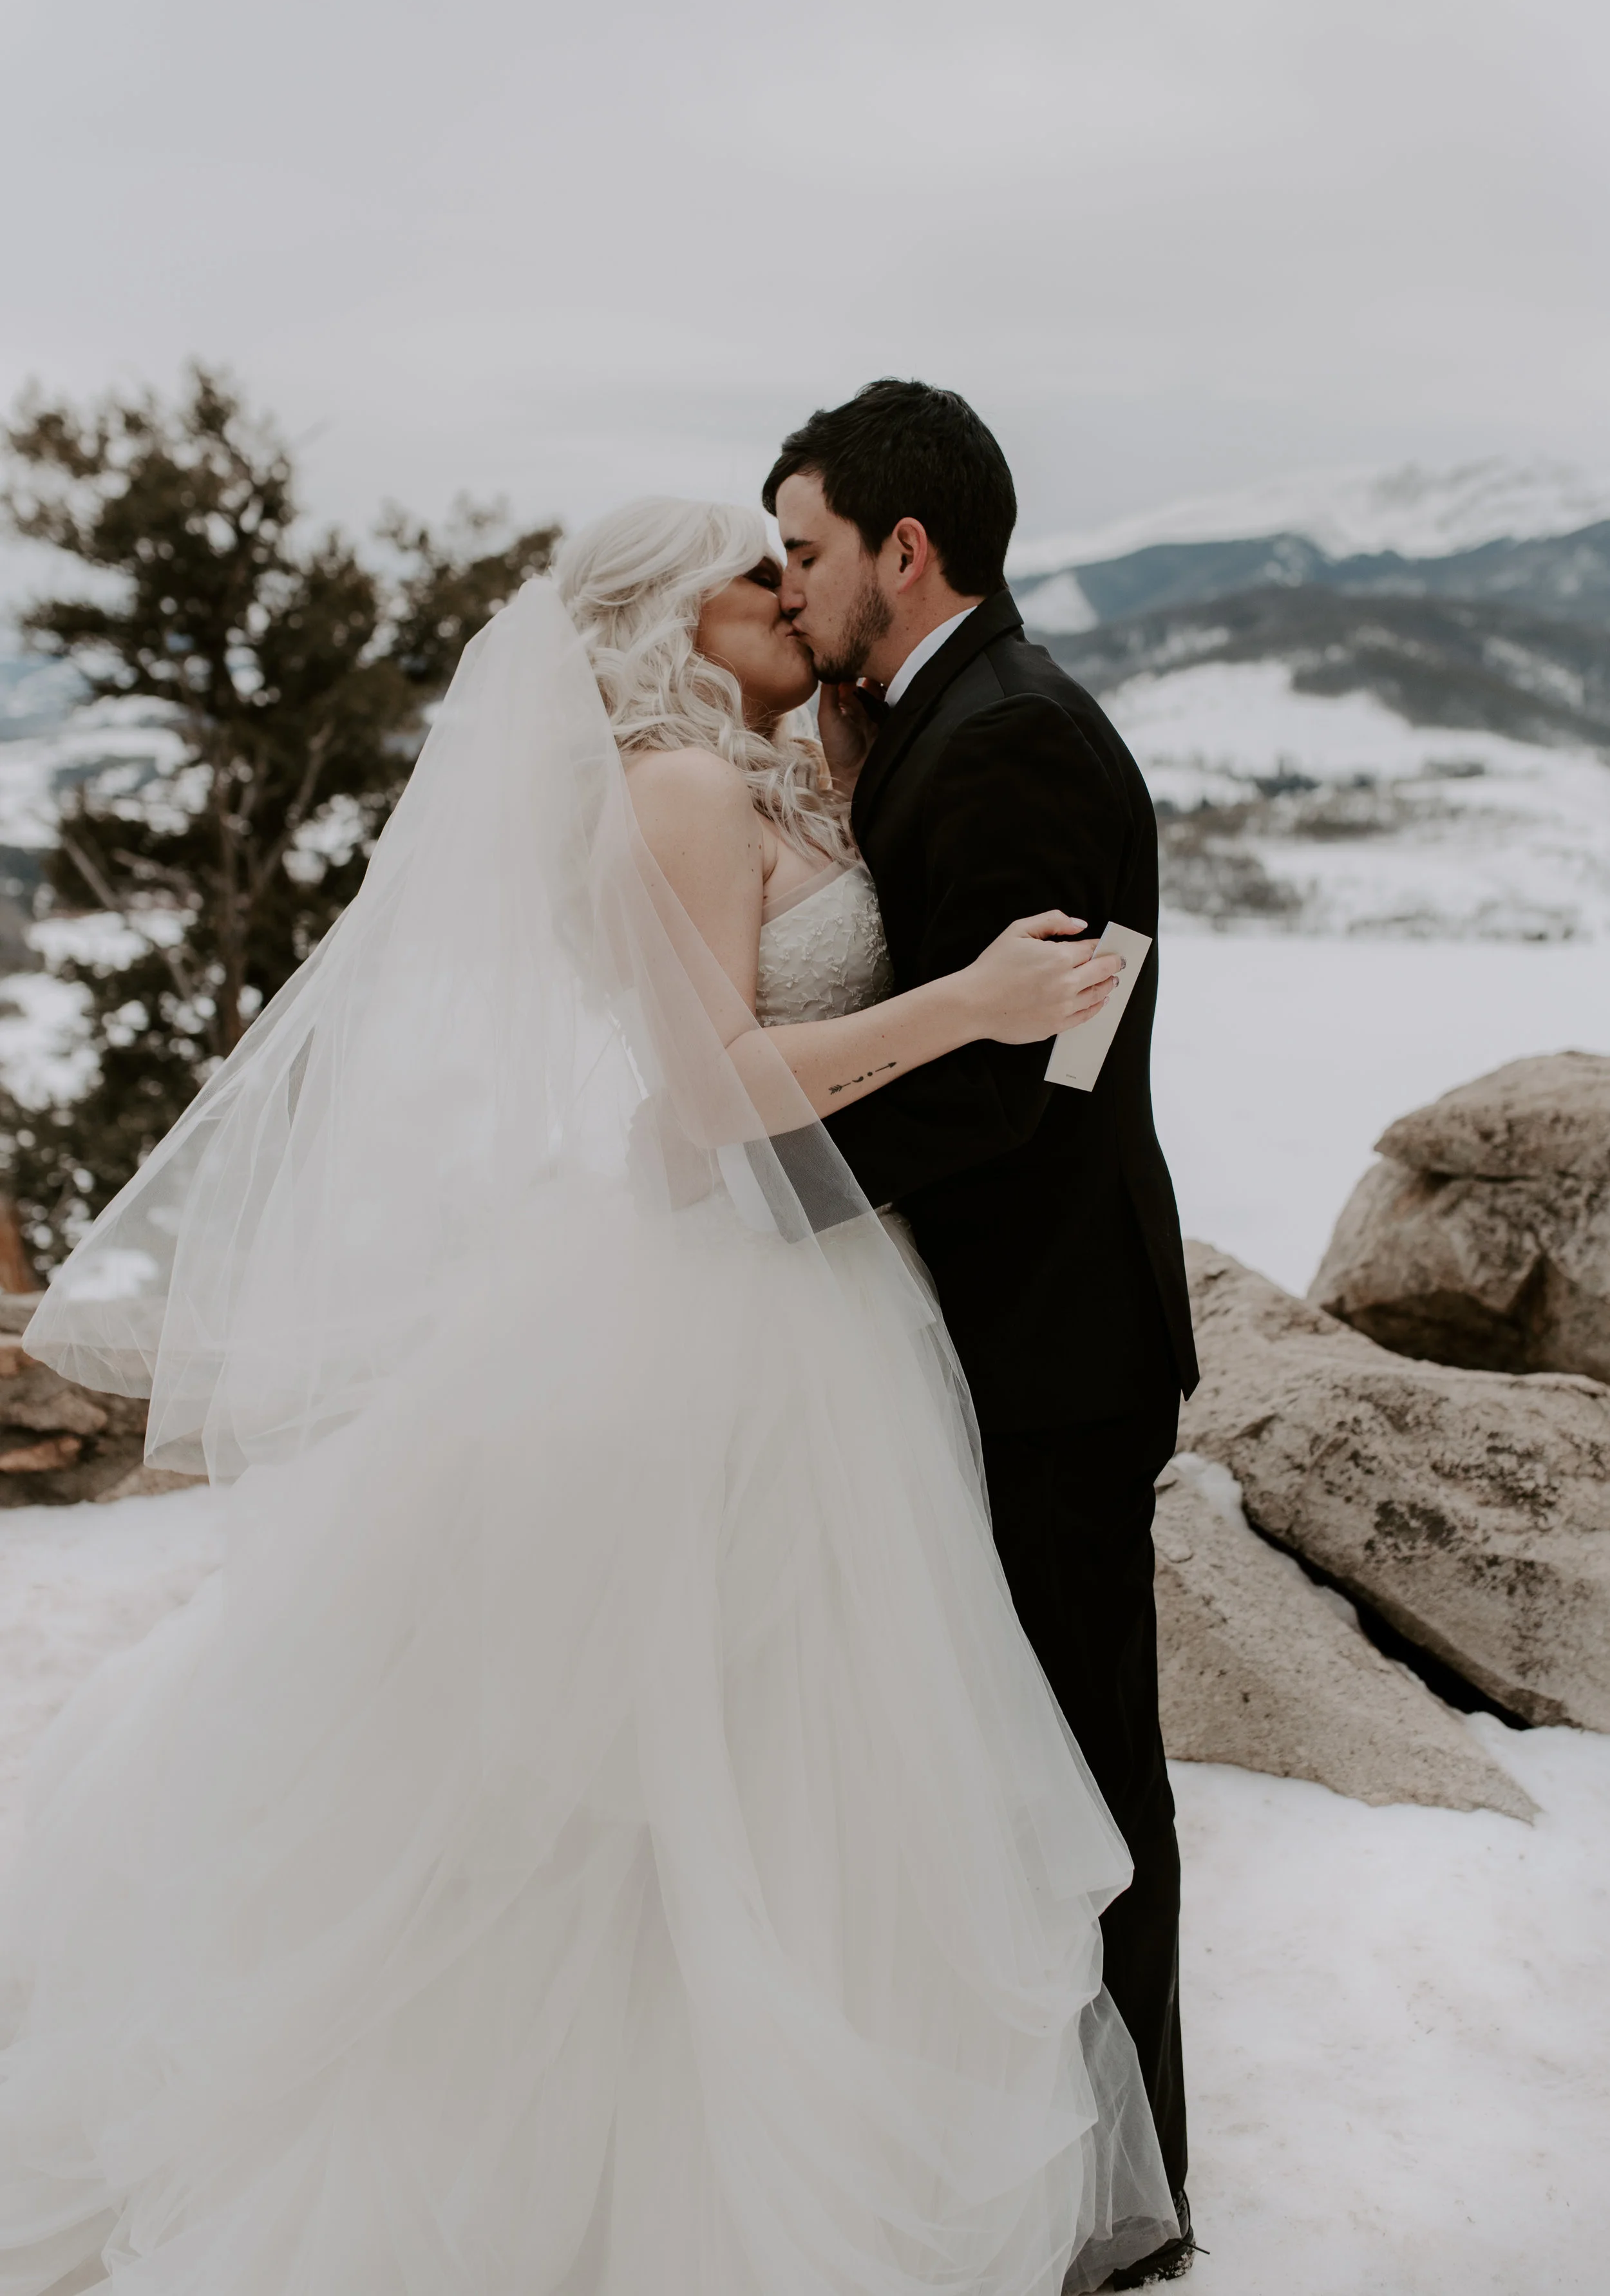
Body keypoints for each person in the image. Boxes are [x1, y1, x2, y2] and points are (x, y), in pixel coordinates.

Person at [0, 499, 1177, 2296]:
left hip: (815, 1294)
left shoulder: (756, 768)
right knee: (671, 1760)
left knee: (790, 1752)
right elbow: (710, 1102)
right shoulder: (679, 791)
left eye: (793, 559)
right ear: (658, 620)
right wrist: (968, 1001)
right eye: (749, 571)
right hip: (728, 1305)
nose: (787, 589)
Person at [764, 381, 1200, 2287]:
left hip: (1051, 1344)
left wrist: (750, 1190)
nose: (787, 594)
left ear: (902, 551)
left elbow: (1006, 1078)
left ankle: (1124, 2205)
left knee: (1082, 1770)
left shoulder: (1006, 742)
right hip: (1010, 1326)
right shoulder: (955, 715)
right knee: (1008, 1760)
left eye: (804, 553)